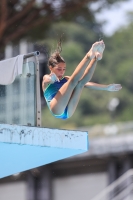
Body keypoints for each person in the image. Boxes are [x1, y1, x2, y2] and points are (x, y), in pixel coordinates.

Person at [42, 40, 122, 120]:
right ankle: (88, 56)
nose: (62, 72)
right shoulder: (46, 78)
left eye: (64, 69)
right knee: (72, 82)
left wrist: (107, 87)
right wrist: (52, 79)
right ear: (51, 68)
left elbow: (86, 84)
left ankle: (95, 57)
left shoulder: (66, 79)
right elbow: (47, 79)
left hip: (68, 113)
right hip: (56, 109)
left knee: (80, 84)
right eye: (59, 69)